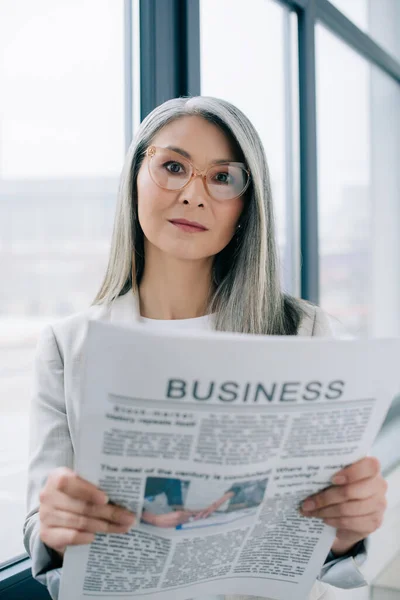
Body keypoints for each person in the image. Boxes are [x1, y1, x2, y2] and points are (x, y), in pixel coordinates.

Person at [23, 96, 387, 600]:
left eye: (222, 177)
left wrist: (346, 534)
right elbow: (40, 531)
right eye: (173, 166)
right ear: (134, 178)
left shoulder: (306, 331)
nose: (194, 195)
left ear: (245, 205)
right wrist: (56, 528)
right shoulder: (66, 345)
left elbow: (328, 545)